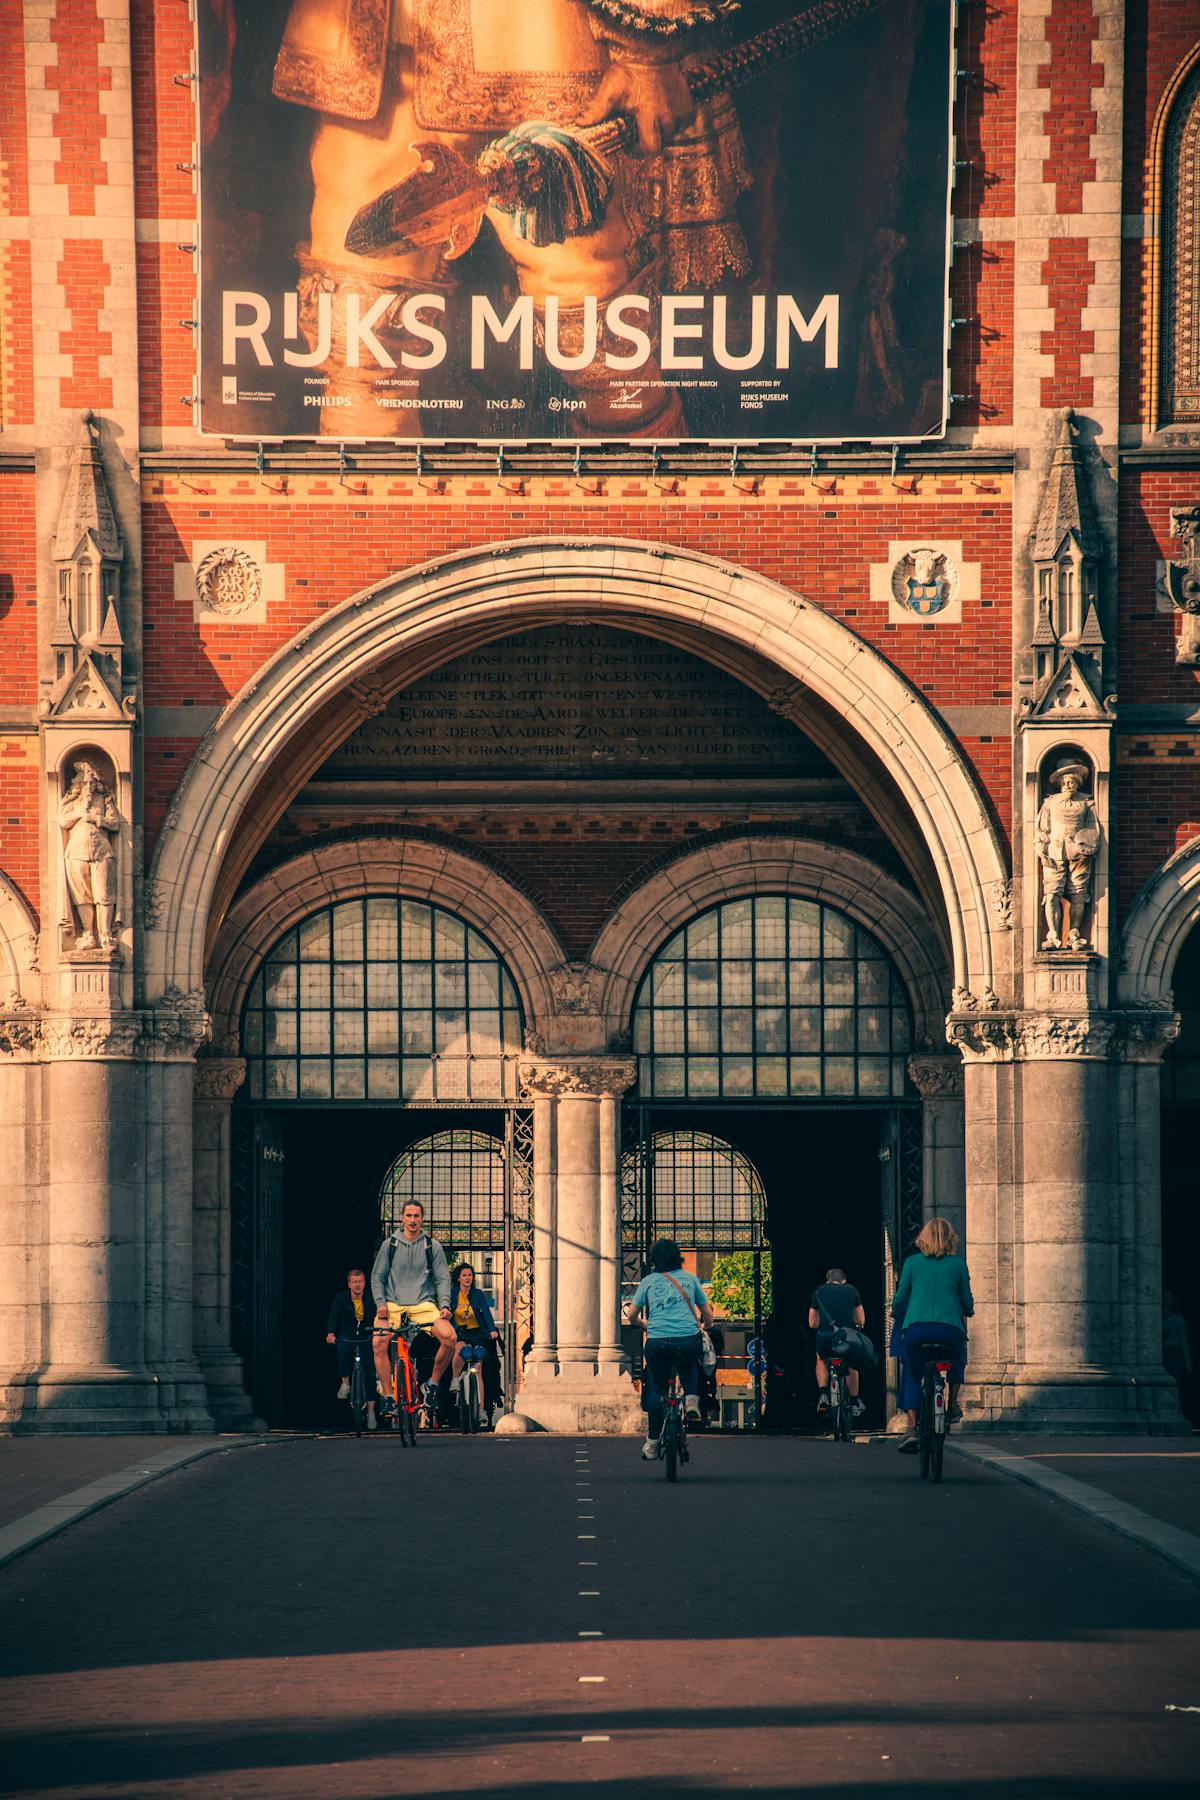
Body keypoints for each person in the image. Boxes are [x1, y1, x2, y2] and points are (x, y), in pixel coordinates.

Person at [626, 1238, 714, 1462]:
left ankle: (653, 1444)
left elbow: (631, 1316)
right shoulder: (691, 1280)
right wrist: (704, 1326)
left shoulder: (648, 1282)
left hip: (658, 1341)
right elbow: (707, 1314)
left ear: (654, 1260)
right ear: (678, 1257)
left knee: (656, 1389)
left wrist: (646, 1324)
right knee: (689, 1366)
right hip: (687, 1338)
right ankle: (692, 1401)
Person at [892, 1217, 974, 1453]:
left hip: (918, 1330)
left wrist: (895, 1310)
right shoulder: (958, 1265)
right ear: (951, 1239)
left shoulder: (912, 1263)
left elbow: (900, 1297)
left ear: (923, 1238)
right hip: (950, 1330)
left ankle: (912, 1427)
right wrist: (968, 1310)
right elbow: (966, 1299)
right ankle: (953, 1403)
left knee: (911, 1373)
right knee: (958, 1359)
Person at [369, 1199, 455, 1415]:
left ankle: (431, 1385)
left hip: (422, 1303)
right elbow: (377, 1277)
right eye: (409, 1215)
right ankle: (389, 1396)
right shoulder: (390, 1245)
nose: (413, 1220)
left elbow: (442, 1279)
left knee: (450, 1337)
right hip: (392, 1304)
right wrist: (381, 1304)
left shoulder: (431, 1246)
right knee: (379, 1342)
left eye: (417, 1216)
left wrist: (444, 1305)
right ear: (402, 1218)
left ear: (422, 1219)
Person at [1037, 761, 1100, 951]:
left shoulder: (1087, 803)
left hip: (1079, 853)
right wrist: (1041, 850)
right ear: (1060, 783)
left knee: (1079, 893)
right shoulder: (1050, 803)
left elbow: (1093, 829)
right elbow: (1042, 830)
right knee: (1051, 894)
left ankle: (1074, 933)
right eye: (1065, 781)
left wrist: (1086, 847)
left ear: (1079, 782)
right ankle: (1053, 934)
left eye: (1072, 781)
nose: (1069, 785)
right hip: (1054, 851)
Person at [59, 760, 121, 950]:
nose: (89, 786)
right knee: (82, 894)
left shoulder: (104, 800)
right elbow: (63, 821)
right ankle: (88, 933)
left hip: (101, 850)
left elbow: (115, 823)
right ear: (78, 783)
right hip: (76, 851)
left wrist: (96, 818)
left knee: (104, 894)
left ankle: (105, 934)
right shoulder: (72, 802)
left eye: (92, 782)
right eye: (85, 782)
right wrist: (81, 810)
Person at [809, 1267, 867, 1421]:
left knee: (821, 1360)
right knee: (852, 1365)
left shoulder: (818, 1292)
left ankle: (823, 1395)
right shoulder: (851, 1290)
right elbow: (861, 1320)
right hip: (847, 1336)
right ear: (844, 1281)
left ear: (827, 1280)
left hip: (825, 1336)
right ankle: (854, 1401)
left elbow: (812, 1323)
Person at [325, 1267, 378, 1429]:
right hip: (347, 1335)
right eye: (354, 1282)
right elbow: (334, 1316)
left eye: (360, 1282)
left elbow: (378, 1316)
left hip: (366, 1336)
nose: (357, 1285)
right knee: (342, 1350)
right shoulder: (341, 1298)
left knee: (369, 1373)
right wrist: (331, 1333)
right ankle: (346, 1383)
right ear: (349, 1284)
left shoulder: (371, 1298)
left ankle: (370, 1413)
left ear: (364, 1283)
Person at [449, 1261, 501, 1423]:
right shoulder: (452, 1294)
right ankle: (455, 1379)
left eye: (470, 1275)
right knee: (460, 1348)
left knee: (478, 1369)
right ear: (458, 1278)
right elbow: (446, 1312)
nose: (467, 1278)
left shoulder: (478, 1294)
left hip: (478, 1332)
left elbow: (486, 1313)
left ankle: (481, 1409)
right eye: (464, 1275)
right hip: (460, 1332)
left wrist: (492, 1330)